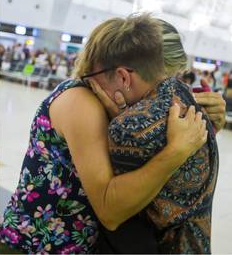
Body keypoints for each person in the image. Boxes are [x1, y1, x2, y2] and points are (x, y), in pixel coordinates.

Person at [0, 15, 214, 253]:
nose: (156, 101)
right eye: (156, 87)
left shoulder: (106, 105)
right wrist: (176, 151)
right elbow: (109, 211)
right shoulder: (81, 103)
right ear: (124, 76)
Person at [77, 15, 218, 253]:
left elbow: (112, 214)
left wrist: (120, 121)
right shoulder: (188, 102)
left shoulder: (130, 128)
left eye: (93, 78)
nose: (94, 87)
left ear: (123, 76)